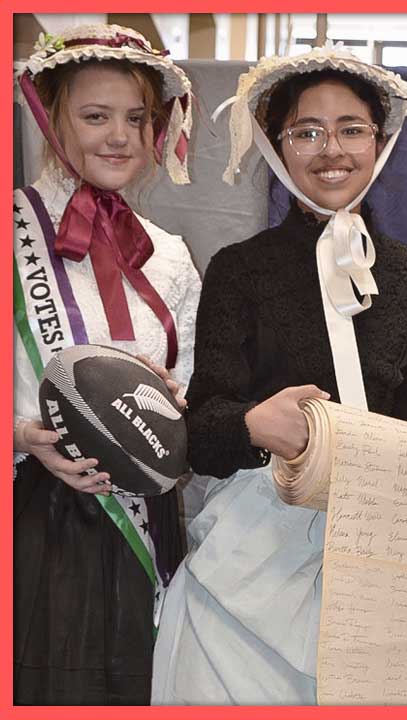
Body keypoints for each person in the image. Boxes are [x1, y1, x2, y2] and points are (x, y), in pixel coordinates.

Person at [152, 44, 407, 705]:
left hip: (389, 544)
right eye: (307, 131)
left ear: (380, 141)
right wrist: (254, 424)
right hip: (259, 555)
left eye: (351, 129)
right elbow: (204, 430)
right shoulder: (239, 270)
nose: (332, 150)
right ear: (277, 145)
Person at [13, 24, 201, 705]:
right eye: (95, 116)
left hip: (147, 522)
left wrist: (178, 404)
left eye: (135, 118)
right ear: (48, 114)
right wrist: (17, 436)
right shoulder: (13, 232)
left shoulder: (169, 254)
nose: (119, 137)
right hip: (38, 521)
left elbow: (193, 382)